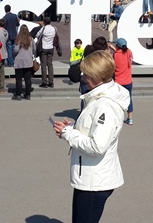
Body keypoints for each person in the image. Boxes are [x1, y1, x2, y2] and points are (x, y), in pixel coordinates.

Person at [52, 50, 130, 223]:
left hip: (95, 180)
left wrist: (68, 134)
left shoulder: (105, 106)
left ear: (97, 77)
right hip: (89, 176)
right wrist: (71, 128)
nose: (83, 77)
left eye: (86, 74)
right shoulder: (99, 98)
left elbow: (98, 146)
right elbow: (93, 132)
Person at [109, 38, 134, 125]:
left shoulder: (114, 55)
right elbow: (123, 52)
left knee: (117, 100)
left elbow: (112, 64)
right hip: (128, 81)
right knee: (129, 99)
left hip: (118, 82)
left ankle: (117, 118)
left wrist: (112, 49)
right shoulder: (129, 52)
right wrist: (114, 48)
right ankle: (130, 118)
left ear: (117, 46)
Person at [13, 25, 36, 100]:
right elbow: (34, 49)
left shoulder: (18, 39)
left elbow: (16, 50)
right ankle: (27, 94)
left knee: (19, 79)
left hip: (19, 61)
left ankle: (18, 94)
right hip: (28, 61)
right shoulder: (30, 39)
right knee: (27, 79)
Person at [36, 17, 57, 88]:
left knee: (43, 65)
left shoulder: (43, 28)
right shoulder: (54, 28)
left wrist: (41, 27)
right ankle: (51, 82)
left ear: (44, 22)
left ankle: (44, 82)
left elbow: (37, 35)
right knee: (50, 65)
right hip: (51, 47)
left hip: (44, 48)